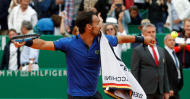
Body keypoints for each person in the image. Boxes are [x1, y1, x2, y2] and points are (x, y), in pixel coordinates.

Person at [14, 11, 155, 98]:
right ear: (89, 27)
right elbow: (44, 44)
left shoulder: (102, 41)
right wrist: (26, 41)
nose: (100, 26)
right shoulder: (69, 43)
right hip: (76, 96)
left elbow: (121, 38)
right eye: (97, 23)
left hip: (93, 94)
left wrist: (142, 39)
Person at [131, 23, 169, 99]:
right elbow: (135, 72)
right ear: (144, 34)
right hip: (144, 91)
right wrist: (135, 91)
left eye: (153, 32)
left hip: (160, 91)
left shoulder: (161, 50)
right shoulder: (137, 50)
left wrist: (166, 90)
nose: (152, 34)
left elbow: (164, 71)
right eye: (149, 32)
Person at [164, 34, 183, 99]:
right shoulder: (163, 53)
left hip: (176, 87)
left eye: (173, 40)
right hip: (169, 88)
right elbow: (164, 72)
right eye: (170, 40)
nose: (172, 42)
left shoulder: (174, 53)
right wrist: (168, 88)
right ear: (165, 42)